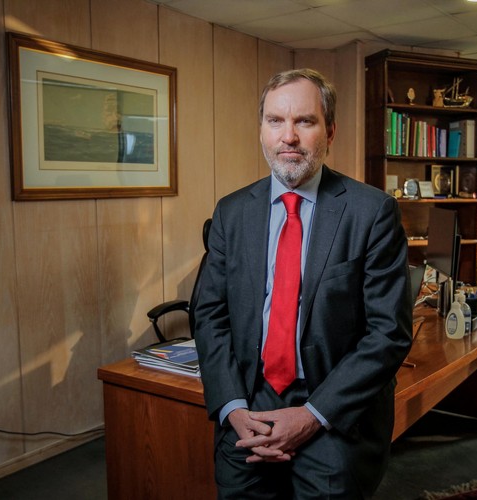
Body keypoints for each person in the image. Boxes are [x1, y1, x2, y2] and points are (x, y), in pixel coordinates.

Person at [194, 68, 413, 499]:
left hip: (332, 410)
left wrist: (313, 414)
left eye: (305, 121)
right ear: (261, 130)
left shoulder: (372, 213)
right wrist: (233, 408)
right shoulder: (231, 212)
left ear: (329, 132)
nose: (288, 136)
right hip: (249, 405)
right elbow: (209, 315)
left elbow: (389, 333)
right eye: (275, 121)